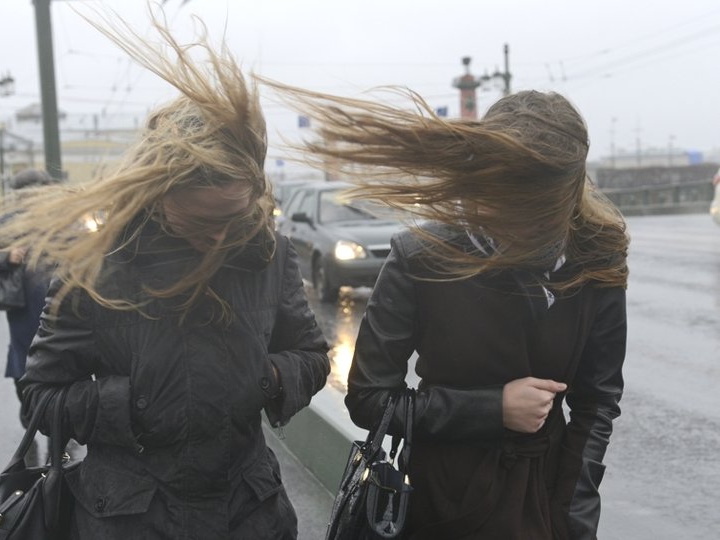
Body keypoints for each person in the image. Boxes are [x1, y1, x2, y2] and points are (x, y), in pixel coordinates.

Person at [0, 16, 330, 540]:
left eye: (235, 218)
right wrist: (132, 403)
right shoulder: (97, 263)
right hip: (129, 520)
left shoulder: (269, 253)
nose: (220, 239)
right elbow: (39, 395)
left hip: (250, 514)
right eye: (203, 222)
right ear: (159, 196)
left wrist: (265, 379)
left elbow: (313, 356)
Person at [266, 85, 629, 539]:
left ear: (566, 192)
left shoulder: (598, 261)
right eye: (509, 193)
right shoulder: (422, 255)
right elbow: (368, 398)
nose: (519, 218)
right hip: (440, 506)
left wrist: (573, 519)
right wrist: (491, 408)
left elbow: (597, 404)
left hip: (546, 504)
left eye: (535, 204)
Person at [0, 168, 57, 419]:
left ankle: (57, 436)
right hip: (25, 309)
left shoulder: (62, 219)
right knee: (26, 363)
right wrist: (6, 256)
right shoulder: (8, 222)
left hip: (62, 304)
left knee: (63, 365)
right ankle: (32, 423)